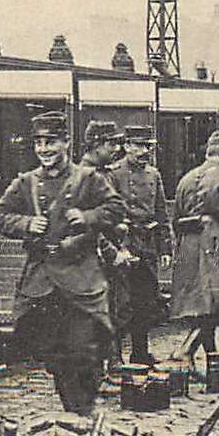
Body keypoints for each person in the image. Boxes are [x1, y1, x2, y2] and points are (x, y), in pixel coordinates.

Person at [0, 110, 124, 414]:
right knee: (55, 354)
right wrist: (26, 223)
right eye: (39, 143)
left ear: (66, 143)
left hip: (81, 279)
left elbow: (115, 207)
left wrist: (87, 216)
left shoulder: (87, 179)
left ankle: (82, 409)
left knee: (84, 350)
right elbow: (0, 215)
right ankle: (75, 410)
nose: (44, 149)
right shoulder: (26, 182)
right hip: (43, 282)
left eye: (51, 142)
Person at [169, 129, 219, 377]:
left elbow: (176, 218)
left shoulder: (186, 178)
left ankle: (211, 358)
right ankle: (186, 349)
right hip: (215, 243)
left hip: (189, 245)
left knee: (204, 304)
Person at [110, 125, 172, 365]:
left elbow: (161, 213)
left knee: (146, 300)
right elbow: (111, 213)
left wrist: (165, 248)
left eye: (147, 146)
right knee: (121, 301)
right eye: (138, 146)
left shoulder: (154, 175)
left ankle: (140, 352)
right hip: (125, 242)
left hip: (147, 243)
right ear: (126, 146)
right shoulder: (114, 174)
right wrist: (119, 246)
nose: (144, 151)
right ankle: (115, 357)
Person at [78, 120, 128, 357]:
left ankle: (113, 360)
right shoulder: (85, 176)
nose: (116, 149)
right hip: (93, 256)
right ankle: (102, 366)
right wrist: (111, 251)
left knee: (113, 308)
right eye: (111, 144)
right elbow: (86, 226)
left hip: (108, 254)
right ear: (96, 145)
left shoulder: (103, 173)